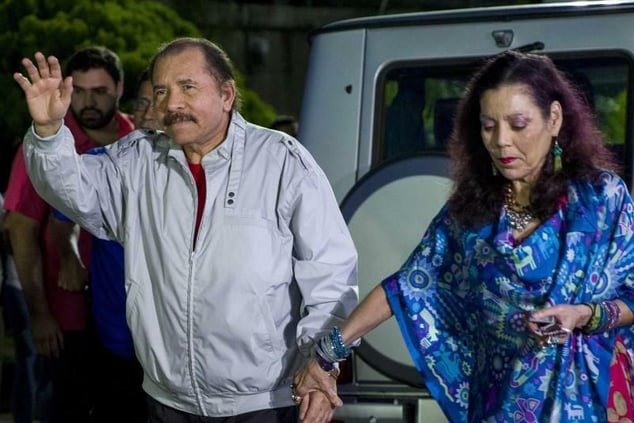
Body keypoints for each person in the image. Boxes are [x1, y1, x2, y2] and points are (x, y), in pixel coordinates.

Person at [14, 37, 359, 423]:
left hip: (264, 403)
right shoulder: (138, 159)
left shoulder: (282, 161)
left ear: (226, 94)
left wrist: (322, 363)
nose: (172, 103)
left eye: (188, 87)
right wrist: (48, 131)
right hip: (167, 401)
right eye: (162, 91)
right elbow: (71, 190)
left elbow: (331, 274)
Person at [293, 50, 634, 422]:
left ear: (554, 119)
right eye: (488, 126)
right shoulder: (470, 214)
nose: (501, 140)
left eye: (518, 124)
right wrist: (326, 353)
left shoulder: (601, 199)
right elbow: (407, 286)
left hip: (592, 403)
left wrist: (582, 315)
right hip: (501, 406)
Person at [4, 45, 135, 423]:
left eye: (100, 91)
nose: (88, 102)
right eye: (79, 91)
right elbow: (20, 228)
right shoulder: (43, 141)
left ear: (119, 88)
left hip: (130, 315)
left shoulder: (138, 137)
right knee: (66, 405)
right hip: (68, 313)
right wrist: (40, 314)